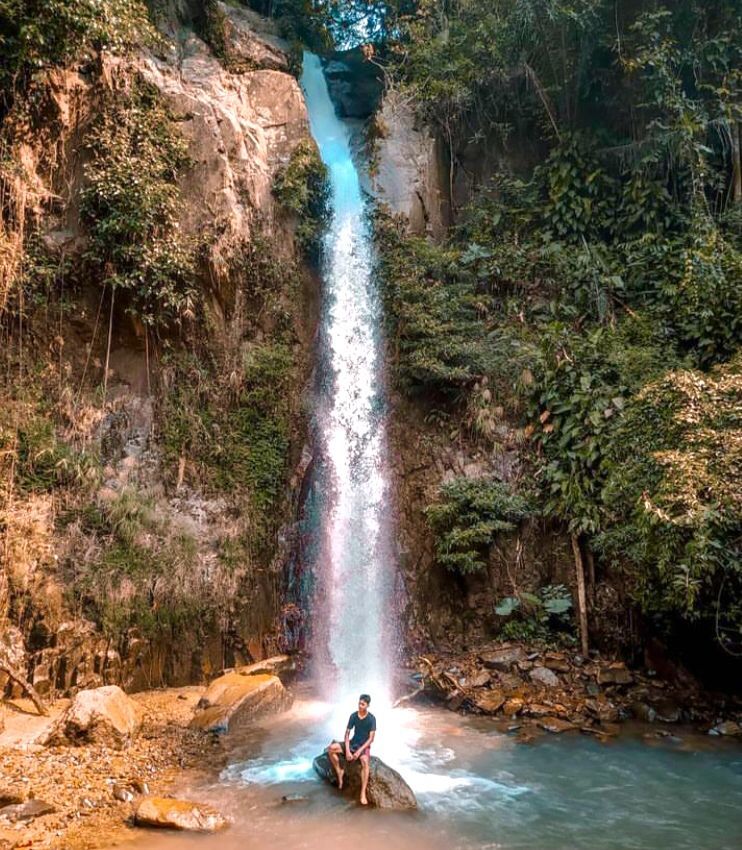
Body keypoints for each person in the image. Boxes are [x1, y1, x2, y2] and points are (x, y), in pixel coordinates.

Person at [326, 693, 376, 805]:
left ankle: (362, 793)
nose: (360, 706)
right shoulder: (353, 716)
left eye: (362, 704)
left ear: (367, 705)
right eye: (359, 703)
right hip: (353, 743)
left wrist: (359, 751)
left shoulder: (371, 719)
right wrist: (348, 750)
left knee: (364, 762)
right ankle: (339, 771)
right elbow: (347, 734)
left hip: (363, 746)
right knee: (331, 749)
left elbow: (371, 739)